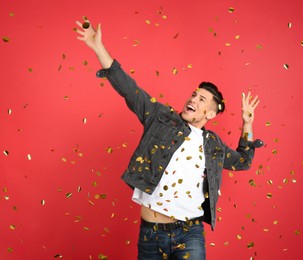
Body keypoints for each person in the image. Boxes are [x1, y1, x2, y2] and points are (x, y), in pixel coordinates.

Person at [75, 18, 263, 260]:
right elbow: (129, 89)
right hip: (150, 234)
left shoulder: (212, 144)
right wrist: (98, 47)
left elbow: (244, 161)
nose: (193, 99)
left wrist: (247, 124)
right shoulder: (160, 118)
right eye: (194, 94)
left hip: (189, 233)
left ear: (211, 113)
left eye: (202, 99)